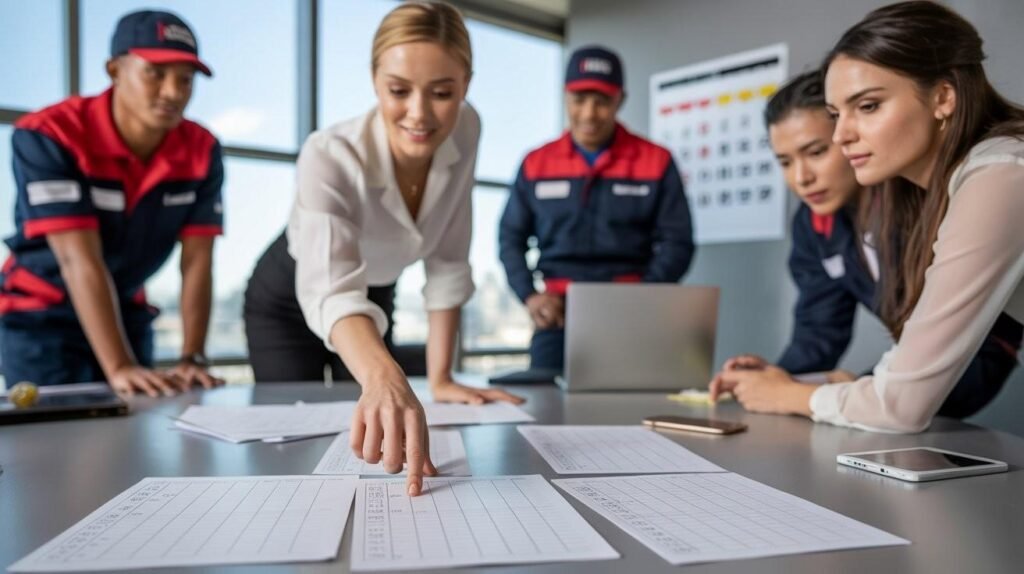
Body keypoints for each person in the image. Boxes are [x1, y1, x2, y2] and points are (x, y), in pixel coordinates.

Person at [710, 1, 1024, 432]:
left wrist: (794, 394)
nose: (842, 135)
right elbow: (832, 341)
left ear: (943, 96)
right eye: (837, 115)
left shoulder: (1000, 176)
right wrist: (790, 381)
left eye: (869, 106)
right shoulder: (938, 186)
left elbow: (901, 404)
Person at [260, 2, 522, 495]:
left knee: (368, 420)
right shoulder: (330, 154)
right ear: (375, 80)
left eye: (443, 93)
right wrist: (385, 376)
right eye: (399, 91)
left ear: (466, 83)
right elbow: (333, 289)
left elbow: (448, 257)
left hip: (374, 290)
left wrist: (441, 378)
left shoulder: (468, 128)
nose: (420, 114)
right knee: (295, 439)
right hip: (291, 294)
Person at [1, 10, 224, 396]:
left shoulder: (202, 149)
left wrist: (193, 357)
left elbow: (197, 261)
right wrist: (119, 366)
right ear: (115, 70)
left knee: (138, 428)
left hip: (126, 310)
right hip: (41, 317)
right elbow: (77, 259)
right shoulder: (50, 134)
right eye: (155, 73)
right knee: (56, 445)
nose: (173, 92)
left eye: (185, 79)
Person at [499, 46, 695, 370]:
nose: (589, 113)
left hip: (633, 314)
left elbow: (678, 241)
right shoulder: (536, 163)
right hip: (558, 313)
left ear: (620, 100)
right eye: (579, 99)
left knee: (635, 406)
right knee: (543, 408)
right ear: (566, 97)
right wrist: (529, 295)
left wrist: (641, 297)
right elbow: (510, 237)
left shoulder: (656, 161)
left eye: (602, 101)